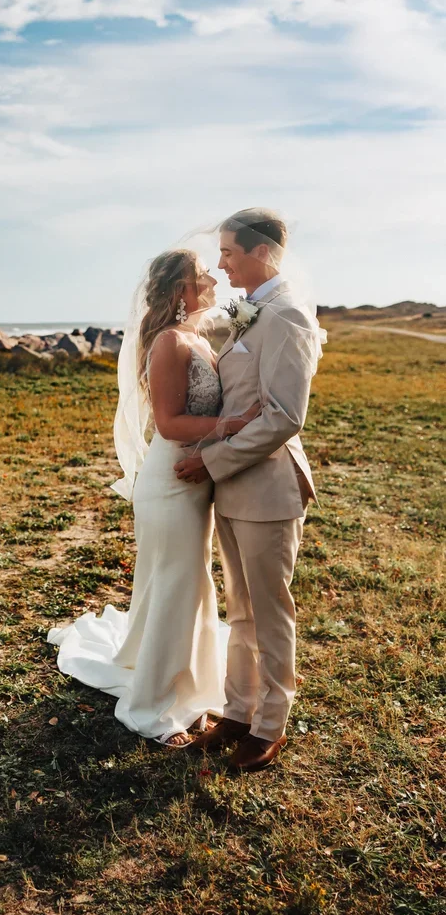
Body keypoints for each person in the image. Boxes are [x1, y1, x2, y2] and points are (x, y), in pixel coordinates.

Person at [47, 249, 259, 747]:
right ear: (181, 290)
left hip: (197, 477)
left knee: (185, 580)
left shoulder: (199, 340)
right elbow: (168, 424)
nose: (211, 276)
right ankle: (152, 702)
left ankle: (189, 679)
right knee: (178, 581)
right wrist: (235, 424)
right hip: (171, 482)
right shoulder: (169, 342)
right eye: (201, 272)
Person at [175, 208, 322, 772]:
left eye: (229, 253)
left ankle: (270, 725)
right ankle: (238, 711)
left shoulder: (287, 316)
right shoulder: (251, 311)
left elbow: (285, 415)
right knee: (241, 611)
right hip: (234, 488)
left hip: (265, 487)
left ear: (260, 253)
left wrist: (211, 461)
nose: (220, 263)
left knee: (270, 610)